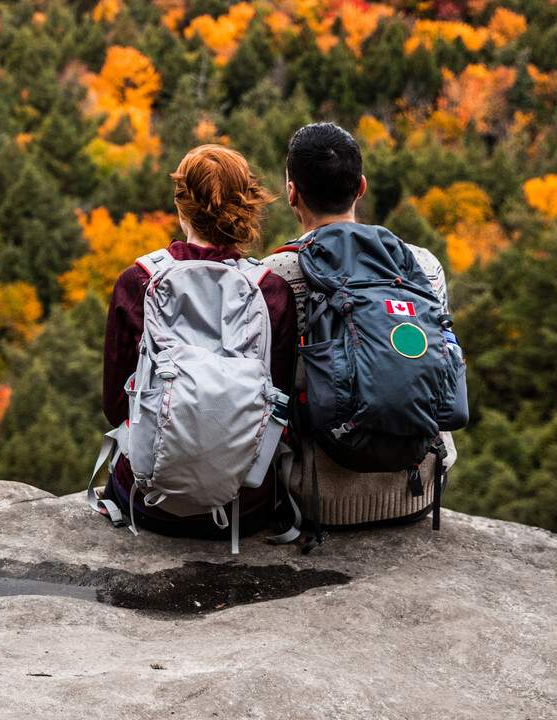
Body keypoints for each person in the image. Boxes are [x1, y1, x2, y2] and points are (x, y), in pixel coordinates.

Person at [99, 143, 296, 539]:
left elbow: (116, 405)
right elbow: (280, 406)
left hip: (148, 501)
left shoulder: (138, 280)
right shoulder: (271, 290)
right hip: (245, 503)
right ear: (246, 205)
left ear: (180, 205)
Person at [269, 121, 458, 529]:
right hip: (417, 493)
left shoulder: (275, 275)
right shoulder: (422, 266)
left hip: (316, 499)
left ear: (291, 193)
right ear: (361, 187)